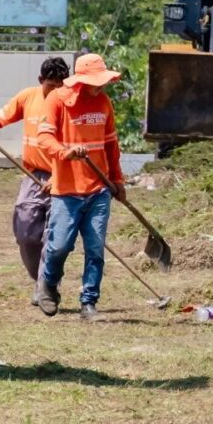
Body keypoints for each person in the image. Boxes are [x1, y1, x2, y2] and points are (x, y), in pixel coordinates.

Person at [0, 57, 70, 304]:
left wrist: (58, 177)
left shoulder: (70, 103)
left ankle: (46, 286)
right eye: (52, 86)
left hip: (64, 176)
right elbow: (3, 115)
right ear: (40, 81)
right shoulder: (28, 97)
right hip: (33, 176)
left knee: (54, 236)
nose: (57, 91)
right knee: (25, 232)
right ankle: (40, 281)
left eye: (61, 86)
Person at [34, 53, 126, 318]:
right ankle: (49, 284)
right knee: (60, 246)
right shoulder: (57, 100)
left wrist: (117, 180)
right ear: (81, 80)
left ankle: (89, 302)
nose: (101, 86)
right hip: (67, 191)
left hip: (99, 190)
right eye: (96, 81)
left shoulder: (103, 102)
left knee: (95, 248)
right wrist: (66, 152)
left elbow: (111, 146)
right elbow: (44, 137)